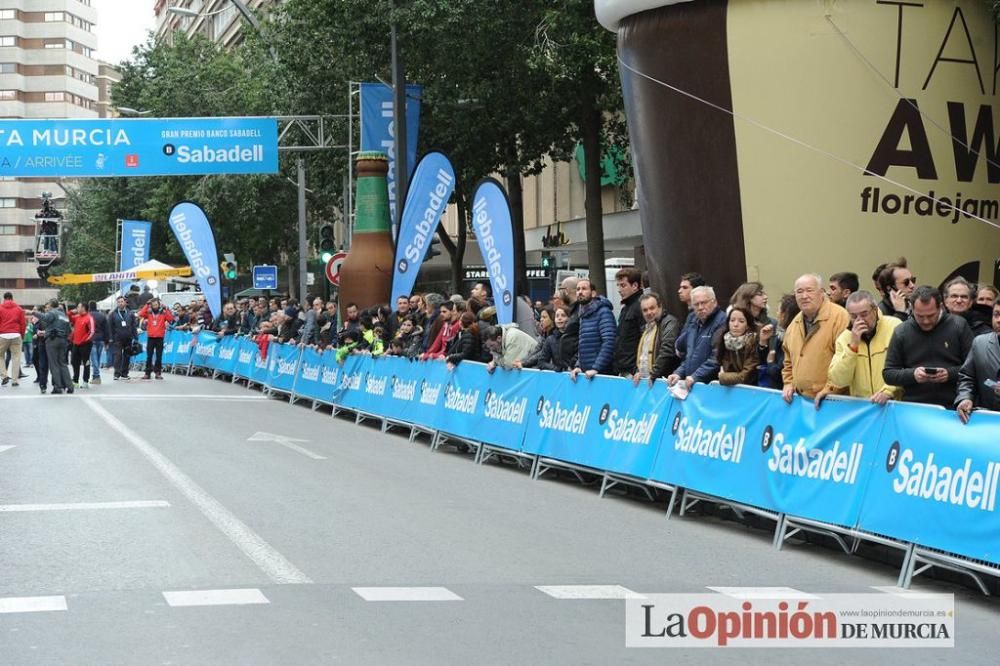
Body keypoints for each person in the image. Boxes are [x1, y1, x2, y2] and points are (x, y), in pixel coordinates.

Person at [883, 285, 975, 408]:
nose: (926, 321)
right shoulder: (902, 331)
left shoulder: (958, 326)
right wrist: (913, 375)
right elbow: (889, 374)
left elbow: (974, 368)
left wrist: (950, 374)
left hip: (953, 406)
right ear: (912, 309)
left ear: (941, 307)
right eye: (920, 316)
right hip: (914, 406)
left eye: (931, 315)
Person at [781, 274, 851, 405]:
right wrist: (788, 382)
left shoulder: (840, 317)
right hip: (802, 402)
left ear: (821, 292)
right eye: (799, 292)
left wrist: (830, 389)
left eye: (809, 290)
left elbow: (847, 359)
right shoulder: (794, 324)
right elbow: (788, 359)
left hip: (833, 401)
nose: (804, 296)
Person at [827, 291, 902, 404]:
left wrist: (888, 391)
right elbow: (839, 380)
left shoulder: (894, 326)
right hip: (863, 408)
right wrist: (852, 347)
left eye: (864, 314)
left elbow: (906, 365)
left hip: (894, 404)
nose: (859, 320)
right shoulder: (844, 338)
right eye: (853, 316)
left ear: (875, 309)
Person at [667, 286, 727, 390]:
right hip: (693, 384)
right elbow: (690, 356)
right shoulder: (693, 322)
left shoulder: (722, 321)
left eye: (704, 302)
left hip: (713, 387)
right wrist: (678, 373)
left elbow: (716, 358)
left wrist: (695, 376)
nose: (700, 307)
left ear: (714, 302)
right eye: (696, 304)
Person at [956, 301, 1000, 422]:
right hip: (985, 419)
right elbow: (967, 377)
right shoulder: (980, 343)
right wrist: (965, 398)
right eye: (996, 314)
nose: (998, 320)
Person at [569, 278, 616, 380]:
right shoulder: (583, 314)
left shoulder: (603, 312)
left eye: (584, 289)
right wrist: (578, 366)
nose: (580, 292)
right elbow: (583, 344)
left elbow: (609, 341)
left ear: (593, 293)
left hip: (602, 374)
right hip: (587, 373)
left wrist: (596, 368)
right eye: (578, 289)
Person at [632, 292, 680, 385]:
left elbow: (667, 351)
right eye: (645, 310)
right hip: (647, 380)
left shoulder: (670, 323)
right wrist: (638, 372)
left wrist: (654, 374)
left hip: (662, 382)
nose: (649, 312)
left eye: (652, 308)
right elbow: (643, 356)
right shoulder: (646, 328)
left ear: (660, 307)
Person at [516, 306, 570, 371]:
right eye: (557, 316)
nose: (541, 319)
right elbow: (537, 352)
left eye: (544, 317)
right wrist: (523, 362)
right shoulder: (548, 337)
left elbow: (540, 355)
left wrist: (523, 363)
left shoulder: (573, 336)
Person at [612, 267, 644, 377]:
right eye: (618, 285)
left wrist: (638, 369)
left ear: (635, 286)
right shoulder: (626, 307)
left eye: (623, 285)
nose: (619, 290)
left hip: (633, 371)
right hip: (624, 367)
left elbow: (644, 339)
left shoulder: (641, 306)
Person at [717, 307, 759, 386]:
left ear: (747, 325)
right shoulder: (725, 340)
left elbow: (746, 376)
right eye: (732, 320)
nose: (735, 325)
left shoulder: (753, 342)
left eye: (741, 321)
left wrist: (722, 377)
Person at [39, 300, 73, 394]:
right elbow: (69, 330)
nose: (47, 307)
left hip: (52, 340)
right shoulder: (64, 315)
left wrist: (33, 312)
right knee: (63, 364)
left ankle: (58, 387)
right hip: (63, 340)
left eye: (48, 305)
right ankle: (70, 386)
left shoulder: (52, 313)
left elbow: (44, 317)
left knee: (54, 364)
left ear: (51, 305)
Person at [674, 271, 707, 361]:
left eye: (684, 288)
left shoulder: (700, 315)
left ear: (695, 290)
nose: (679, 291)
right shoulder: (690, 314)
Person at [138, 298, 174, 380]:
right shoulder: (149, 312)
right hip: (151, 337)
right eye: (153, 305)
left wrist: (166, 308)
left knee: (159, 356)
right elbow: (141, 314)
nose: (155, 306)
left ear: (159, 305)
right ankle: (147, 373)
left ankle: (158, 373)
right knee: (149, 356)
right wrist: (147, 305)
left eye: (156, 305)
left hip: (159, 338)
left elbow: (170, 319)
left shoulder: (163, 313)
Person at [0, 291, 26, 386]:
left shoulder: (0, 308)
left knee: (0, 355)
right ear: (12, 298)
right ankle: (14, 380)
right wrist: (22, 335)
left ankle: (4, 375)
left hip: (3, 335)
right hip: (16, 334)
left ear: (4, 298)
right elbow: (23, 324)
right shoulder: (19, 309)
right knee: (16, 357)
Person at [109, 296, 137, 381]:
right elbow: (110, 327)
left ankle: (124, 373)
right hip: (117, 338)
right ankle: (117, 374)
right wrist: (110, 338)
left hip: (128, 338)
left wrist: (135, 337)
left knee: (127, 356)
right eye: (119, 302)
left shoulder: (130, 313)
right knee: (118, 356)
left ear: (125, 303)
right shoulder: (113, 314)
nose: (120, 303)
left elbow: (133, 326)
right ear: (117, 303)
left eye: (122, 301)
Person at [68, 302, 95, 389]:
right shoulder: (77, 317)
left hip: (85, 344)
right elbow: (69, 317)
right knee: (74, 362)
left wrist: (84, 340)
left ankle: (85, 381)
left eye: (78, 307)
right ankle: (75, 380)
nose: (77, 308)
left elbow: (92, 331)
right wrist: (71, 312)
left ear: (83, 308)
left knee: (86, 362)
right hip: (76, 344)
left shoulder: (89, 318)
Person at [558, 276, 581, 370]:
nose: (559, 293)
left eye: (560, 289)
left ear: (566, 291)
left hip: (575, 368)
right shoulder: (574, 310)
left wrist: (574, 363)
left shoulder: (580, 311)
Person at [88, 301, 109, 385]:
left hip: (91, 339)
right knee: (98, 358)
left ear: (89, 307)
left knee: (94, 359)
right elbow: (106, 330)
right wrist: (106, 341)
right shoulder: (102, 316)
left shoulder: (88, 316)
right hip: (100, 339)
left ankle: (96, 376)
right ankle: (95, 376)